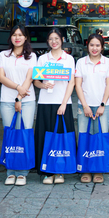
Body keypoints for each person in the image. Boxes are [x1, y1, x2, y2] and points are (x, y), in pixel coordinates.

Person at [34, 28, 77, 185]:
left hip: (63, 103)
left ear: (62, 39)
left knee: (61, 137)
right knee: (45, 137)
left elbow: (71, 82)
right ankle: (48, 171)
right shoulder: (42, 59)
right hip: (45, 102)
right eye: (51, 39)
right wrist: (43, 85)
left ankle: (60, 170)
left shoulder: (68, 59)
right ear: (48, 41)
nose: (54, 42)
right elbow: (36, 81)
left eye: (57, 38)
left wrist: (64, 103)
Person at [0, 24, 37, 186]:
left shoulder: (32, 56)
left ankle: (22, 172)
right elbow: (1, 77)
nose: (17, 38)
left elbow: (30, 78)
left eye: (20, 35)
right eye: (14, 35)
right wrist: (18, 88)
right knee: (11, 135)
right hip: (7, 101)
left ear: (25, 37)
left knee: (24, 134)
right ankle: (11, 170)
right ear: (10, 37)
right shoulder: (3, 55)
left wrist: (19, 97)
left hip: (27, 101)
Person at [75, 33, 109, 183]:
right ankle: (85, 169)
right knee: (84, 136)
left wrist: (102, 105)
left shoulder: (108, 62)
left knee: (101, 137)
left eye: (98, 45)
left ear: (102, 47)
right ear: (87, 46)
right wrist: (85, 106)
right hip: (84, 106)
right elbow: (78, 85)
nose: (94, 48)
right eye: (92, 45)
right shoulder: (81, 62)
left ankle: (99, 169)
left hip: (102, 107)